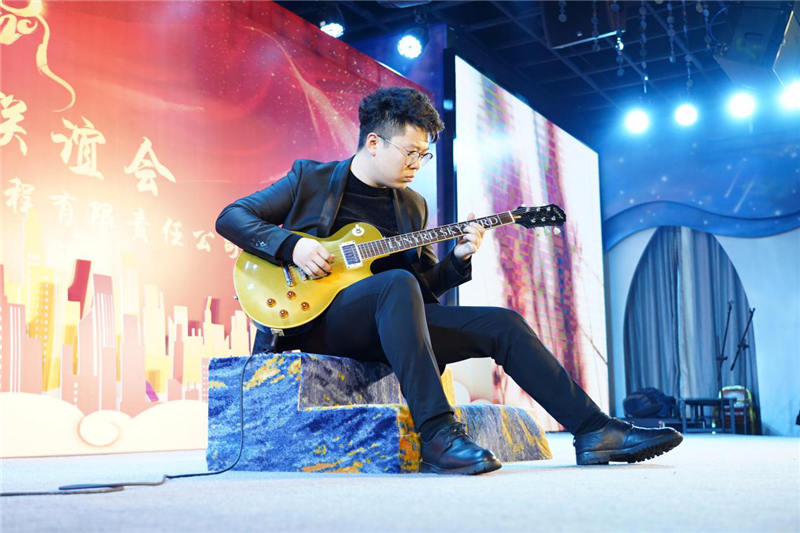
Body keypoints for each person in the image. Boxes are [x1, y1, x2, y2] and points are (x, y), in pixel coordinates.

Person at [216, 86, 683, 475]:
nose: (417, 163)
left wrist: (457, 260)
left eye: (424, 154)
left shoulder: (412, 206)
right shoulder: (310, 179)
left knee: (501, 323)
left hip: (384, 324)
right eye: (410, 152)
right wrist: (293, 246)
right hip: (311, 320)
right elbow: (232, 217)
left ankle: (593, 430)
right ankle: (438, 434)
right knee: (395, 283)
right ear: (374, 142)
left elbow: (421, 289)